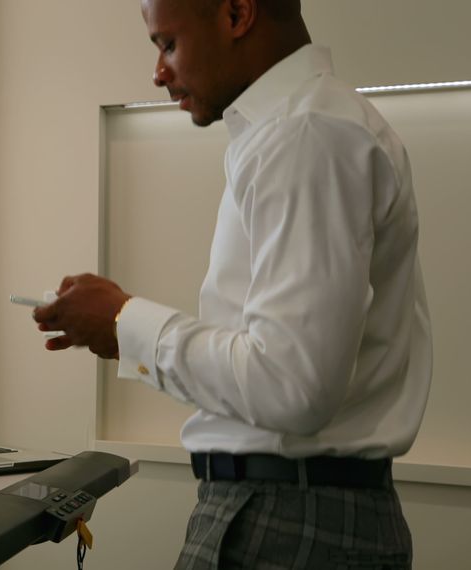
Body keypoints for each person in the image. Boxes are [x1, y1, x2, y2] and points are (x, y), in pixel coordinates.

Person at [31, 0, 432, 568]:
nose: (158, 71)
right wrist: (123, 332)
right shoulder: (304, 126)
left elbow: (291, 386)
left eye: (168, 44)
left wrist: (126, 318)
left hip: (288, 519)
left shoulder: (304, 134)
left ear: (238, 13)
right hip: (292, 508)